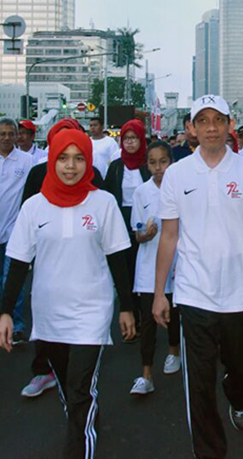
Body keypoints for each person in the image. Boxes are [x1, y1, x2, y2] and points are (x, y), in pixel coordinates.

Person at [152, 94, 243, 459]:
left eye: (218, 120)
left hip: (241, 294)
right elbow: (170, 236)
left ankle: (239, 397)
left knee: (239, 373)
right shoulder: (177, 174)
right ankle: (210, 451)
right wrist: (160, 292)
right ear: (191, 128)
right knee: (200, 384)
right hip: (193, 295)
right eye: (202, 120)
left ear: (229, 125)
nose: (211, 127)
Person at [0, 129, 136, 459]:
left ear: (88, 161)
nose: (70, 166)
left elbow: (118, 258)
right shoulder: (34, 207)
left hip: (92, 310)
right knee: (70, 390)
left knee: (80, 389)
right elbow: (18, 263)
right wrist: (5, 312)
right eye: (62, 158)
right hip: (49, 313)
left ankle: (80, 445)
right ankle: (85, 417)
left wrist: (127, 308)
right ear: (51, 160)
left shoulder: (103, 203)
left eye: (78, 158)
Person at [18, 118, 106, 399]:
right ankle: (43, 371)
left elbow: (106, 220)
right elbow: (28, 218)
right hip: (49, 267)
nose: (70, 165)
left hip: (87, 273)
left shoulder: (95, 176)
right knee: (47, 322)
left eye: (77, 154)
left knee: (81, 373)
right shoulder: (36, 175)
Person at [129, 141, 181, 395]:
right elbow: (136, 232)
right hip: (149, 266)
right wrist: (144, 235)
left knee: (173, 312)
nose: (158, 168)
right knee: (148, 319)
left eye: (163, 161)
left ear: (171, 161)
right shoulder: (141, 192)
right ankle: (146, 374)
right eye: (153, 162)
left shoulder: (181, 188)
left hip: (178, 263)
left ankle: (173, 351)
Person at [0, 117, 34, 344]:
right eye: (2, 133)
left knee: (13, 278)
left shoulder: (26, 161)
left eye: (11, 133)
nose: (7, 137)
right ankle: (3, 312)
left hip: (15, 230)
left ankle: (15, 322)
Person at [104, 119, 150, 334]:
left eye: (134, 139)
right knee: (126, 270)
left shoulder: (147, 164)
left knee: (144, 268)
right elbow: (107, 195)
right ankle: (131, 316)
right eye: (127, 139)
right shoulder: (115, 166)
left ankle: (147, 315)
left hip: (145, 222)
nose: (130, 143)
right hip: (121, 221)